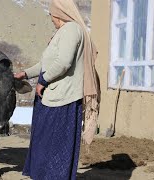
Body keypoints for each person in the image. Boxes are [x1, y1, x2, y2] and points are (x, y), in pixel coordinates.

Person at [14, 0, 100, 179]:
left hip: (62, 98)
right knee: (45, 142)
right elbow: (46, 63)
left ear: (59, 13)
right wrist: (25, 73)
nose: (51, 18)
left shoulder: (71, 30)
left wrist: (43, 81)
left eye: (51, 14)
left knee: (55, 145)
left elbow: (63, 62)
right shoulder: (63, 32)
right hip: (53, 97)